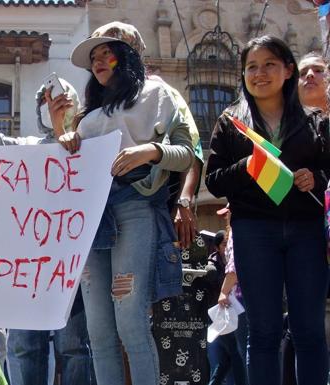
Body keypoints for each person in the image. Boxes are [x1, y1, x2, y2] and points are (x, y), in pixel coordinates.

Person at [57, 21, 194, 385]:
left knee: (130, 320)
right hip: (91, 215)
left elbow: (186, 154)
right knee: (99, 329)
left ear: (128, 57)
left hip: (135, 204)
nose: (99, 61)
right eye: (94, 57)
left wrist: (150, 151)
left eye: (108, 53)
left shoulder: (158, 94)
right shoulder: (87, 115)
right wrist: (69, 137)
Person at [205, 35, 329, 385]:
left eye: (269, 64)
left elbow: (328, 168)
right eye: (251, 67)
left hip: (306, 231)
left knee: (308, 331)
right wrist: (247, 165)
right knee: (263, 333)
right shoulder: (231, 122)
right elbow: (214, 180)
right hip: (254, 232)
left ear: (288, 70)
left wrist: (315, 178)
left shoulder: (315, 120)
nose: (260, 74)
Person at [0, 58, 93, 385]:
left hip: (74, 269)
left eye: (62, 99)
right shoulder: (25, 150)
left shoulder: (91, 149)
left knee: (75, 347)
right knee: (23, 347)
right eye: (48, 100)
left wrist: (67, 131)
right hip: (26, 270)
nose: (55, 104)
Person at [206, 230, 247, 385]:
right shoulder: (212, 267)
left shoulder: (226, 260)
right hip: (222, 319)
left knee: (228, 359)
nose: (227, 247)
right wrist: (224, 291)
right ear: (217, 247)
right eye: (224, 244)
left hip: (235, 314)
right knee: (235, 356)